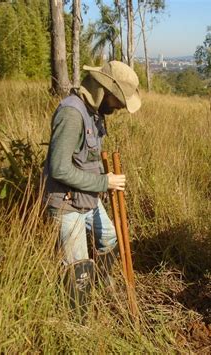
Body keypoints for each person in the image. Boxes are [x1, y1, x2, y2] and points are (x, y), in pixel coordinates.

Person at [43, 61, 141, 318]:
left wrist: (103, 182)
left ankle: (101, 285)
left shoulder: (93, 113)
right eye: (118, 100)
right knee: (79, 269)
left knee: (109, 238)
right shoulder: (71, 114)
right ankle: (78, 318)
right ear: (103, 91)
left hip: (87, 198)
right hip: (66, 203)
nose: (119, 107)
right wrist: (104, 183)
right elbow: (59, 169)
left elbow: (88, 160)